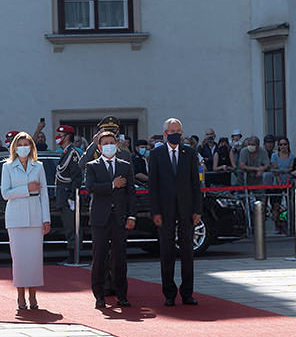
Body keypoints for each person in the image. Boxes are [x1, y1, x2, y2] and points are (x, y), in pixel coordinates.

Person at [148, 118, 202, 306]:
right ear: (164, 133)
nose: (175, 134)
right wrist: (154, 211)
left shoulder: (190, 153)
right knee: (167, 251)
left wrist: (198, 210)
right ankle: (169, 293)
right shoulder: (156, 154)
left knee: (187, 251)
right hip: (164, 210)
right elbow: (152, 185)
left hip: (186, 210)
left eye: (178, 131)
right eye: (171, 131)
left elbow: (196, 184)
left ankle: (187, 293)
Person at [85, 131, 136, 309]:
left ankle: (121, 293)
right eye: (105, 143)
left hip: (119, 218)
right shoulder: (92, 166)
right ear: (99, 147)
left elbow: (131, 191)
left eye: (111, 142)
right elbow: (90, 187)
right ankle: (99, 295)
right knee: (99, 257)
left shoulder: (124, 165)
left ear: (116, 145)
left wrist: (131, 215)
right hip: (100, 217)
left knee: (120, 256)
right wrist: (112, 185)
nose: (108, 145)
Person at [0, 132, 50, 310]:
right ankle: (20, 295)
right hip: (16, 217)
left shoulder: (38, 166)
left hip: (35, 215)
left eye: (26, 144)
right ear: (15, 147)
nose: (23, 147)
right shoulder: (8, 167)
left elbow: (44, 194)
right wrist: (26, 189)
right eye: (20, 144)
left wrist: (46, 219)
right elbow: (5, 193)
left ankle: (33, 295)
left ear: (31, 147)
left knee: (35, 258)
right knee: (19, 258)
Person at [54, 125, 82, 265]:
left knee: (72, 227)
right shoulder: (65, 153)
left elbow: (77, 178)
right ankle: (71, 254)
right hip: (62, 195)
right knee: (67, 226)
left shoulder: (73, 153)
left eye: (61, 135)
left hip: (67, 195)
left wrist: (72, 196)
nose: (58, 137)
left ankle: (74, 254)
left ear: (68, 137)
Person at [270, 137, 295, 235]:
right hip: (277, 183)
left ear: (288, 145)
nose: (283, 146)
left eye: (285, 144)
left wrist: (284, 173)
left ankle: (288, 223)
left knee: (289, 204)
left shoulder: (292, 156)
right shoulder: (274, 156)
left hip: (288, 182)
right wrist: (279, 181)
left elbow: (290, 168)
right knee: (276, 205)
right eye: (281, 144)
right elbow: (275, 170)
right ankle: (277, 224)